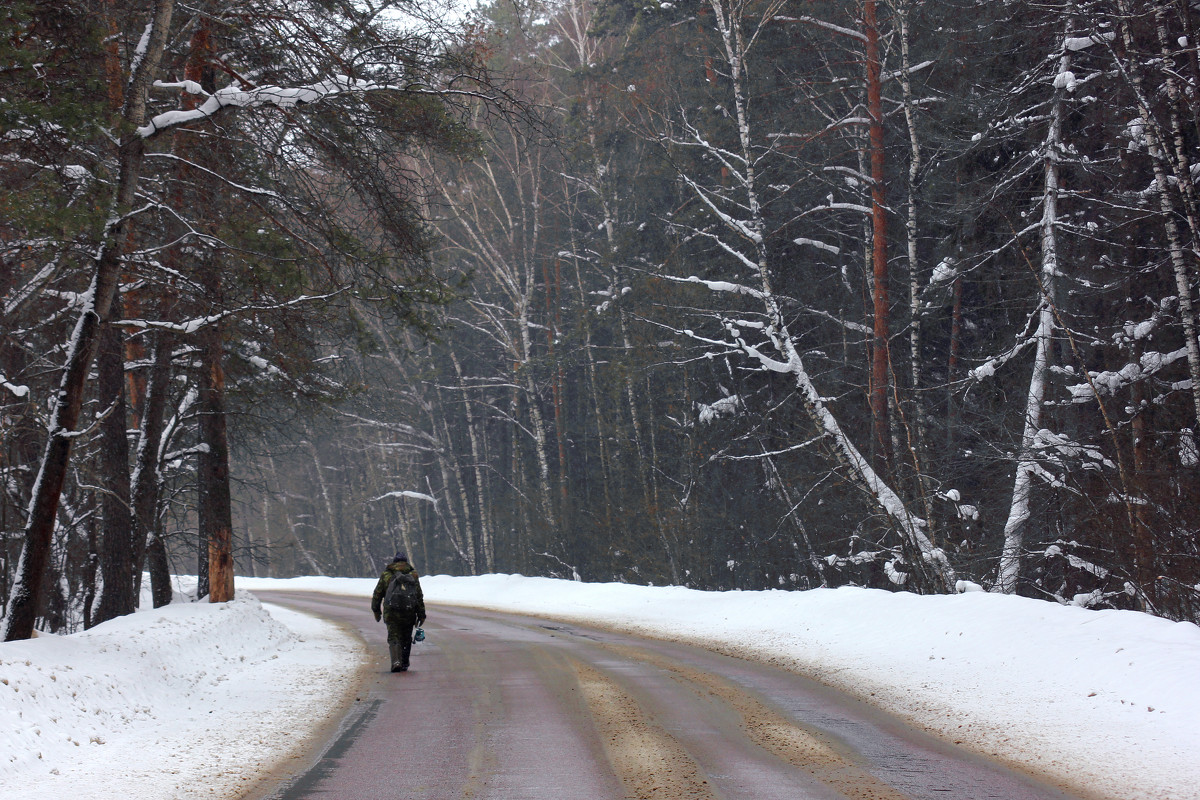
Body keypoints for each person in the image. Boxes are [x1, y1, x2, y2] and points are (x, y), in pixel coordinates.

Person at [371, 552, 426, 672]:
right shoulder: (413, 575)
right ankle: (405, 662)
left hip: (391, 612)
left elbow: (377, 594)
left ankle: (396, 661)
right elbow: (418, 596)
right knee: (406, 637)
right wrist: (421, 614)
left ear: (394, 561)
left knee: (394, 637)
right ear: (406, 562)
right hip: (409, 612)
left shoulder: (387, 575)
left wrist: (376, 610)